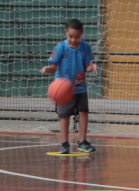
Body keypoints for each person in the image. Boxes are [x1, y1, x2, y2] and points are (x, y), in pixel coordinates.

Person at [39, 19, 97, 154]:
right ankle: (64, 143)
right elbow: (53, 68)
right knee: (64, 115)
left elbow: (87, 68)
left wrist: (91, 67)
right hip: (63, 88)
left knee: (84, 112)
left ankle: (82, 142)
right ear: (66, 33)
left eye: (77, 37)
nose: (73, 40)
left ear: (82, 34)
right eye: (70, 36)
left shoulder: (85, 47)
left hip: (80, 86)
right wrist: (48, 69)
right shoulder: (60, 48)